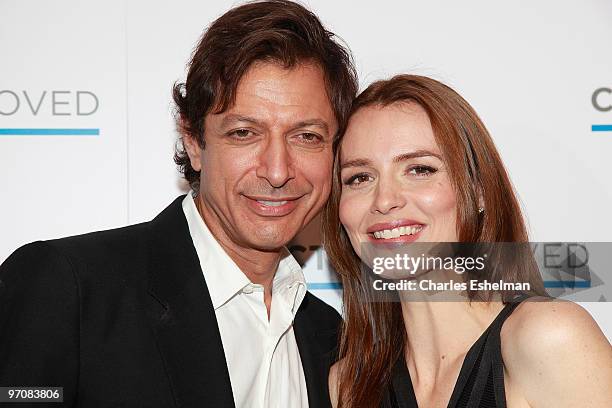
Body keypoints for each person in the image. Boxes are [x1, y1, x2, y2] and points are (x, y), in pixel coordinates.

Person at [0, 1, 357, 407]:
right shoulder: (70, 291)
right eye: (244, 133)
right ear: (193, 141)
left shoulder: (329, 339)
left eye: (306, 136)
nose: (277, 171)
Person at [323, 75, 612, 407]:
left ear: (478, 191)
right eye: (360, 177)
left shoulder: (547, 339)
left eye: (419, 169)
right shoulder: (347, 387)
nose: (384, 200)